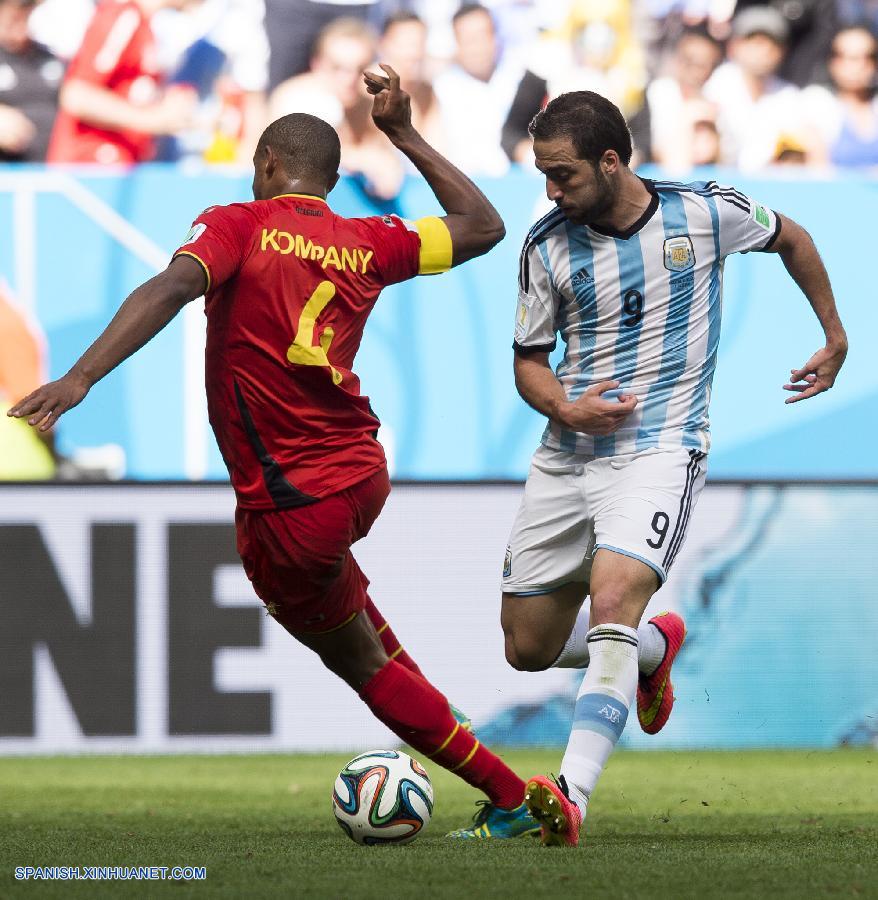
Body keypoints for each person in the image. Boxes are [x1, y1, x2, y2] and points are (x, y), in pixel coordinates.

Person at [9, 64, 540, 842]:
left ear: (265, 164)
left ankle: (513, 798)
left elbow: (169, 288)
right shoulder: (369, 240)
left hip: (290, 501)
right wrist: (403, 134)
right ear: (332, 179)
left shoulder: (238, 224)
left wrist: (81, 377)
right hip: (360, 474)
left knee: (360, 665)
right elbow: (484, 226)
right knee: (346, 604)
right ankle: (433, 709)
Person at [502, 90, 847, 846]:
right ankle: (653, 651)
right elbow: (529, 361)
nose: (550, 191)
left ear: (611, 161)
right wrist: (564, 408)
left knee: (612, 598)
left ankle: (570, 795)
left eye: (562, 175)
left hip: (662, 446)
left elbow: (792, 238)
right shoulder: (545, 245)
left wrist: (834, 334)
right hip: (567, 458)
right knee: (527, 647)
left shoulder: (705, 212)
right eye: (544, 175)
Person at [46, 0, 198, 165]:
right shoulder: (124, 16)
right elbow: (77, 95)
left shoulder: (145, 25)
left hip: (120, 163)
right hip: (91, 164)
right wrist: (153, 119)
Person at [269, 17, 403, 200]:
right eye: (337, 67)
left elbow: (391, 165)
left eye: (360, 69)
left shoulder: (369, 105)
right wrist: (363, 158)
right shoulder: (296, 97)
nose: (348, 79)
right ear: (316, 64)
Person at [703, 6, 804, 169]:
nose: (764, 50)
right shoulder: (717, 85)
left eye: (772, 43)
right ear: (733, 46)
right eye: (755, 42)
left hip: (769, 181)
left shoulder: (788, 95)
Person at [433, 3, 522, 176]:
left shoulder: (521, 78)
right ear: (456, 43)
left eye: (483, 36)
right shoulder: (441, 90)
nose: (478, 47)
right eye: (469, 40)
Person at [801, 24, 878, 168]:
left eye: (869, 57)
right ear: (833, 62)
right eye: (852, 58)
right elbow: (818, 167)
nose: (861, 65)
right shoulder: (818, 103)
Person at [0, 0, 64, 162]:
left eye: (27, 17)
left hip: (56, 165)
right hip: (10, 168)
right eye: (14, 20)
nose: (21, 29)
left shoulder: (50, 58)